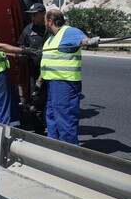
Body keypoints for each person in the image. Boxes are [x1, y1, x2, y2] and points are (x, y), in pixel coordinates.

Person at [39, 9, 99, 145]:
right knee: (52, 116)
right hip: (52, 83)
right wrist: (39, 80)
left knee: (65, 118)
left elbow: (83, 40)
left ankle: (69, 153)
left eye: (45, 21)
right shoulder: (51, 38)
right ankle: (54, 146)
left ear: (50, 21)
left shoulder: (69, 32)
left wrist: (89, 41)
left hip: (65, 84)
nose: (44, 24)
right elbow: (48, 61)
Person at [17, 3, 48, 133]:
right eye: (31, 15)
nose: (32, 18)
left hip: (54, 73)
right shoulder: (28, 30)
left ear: (43, 14)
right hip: (35, 74)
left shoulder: (52, 29)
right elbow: (19, 47)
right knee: (37, 102)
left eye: (35, 14)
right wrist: (24, 53)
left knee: (53, 103)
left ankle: (55, 132)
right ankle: (39, 132)